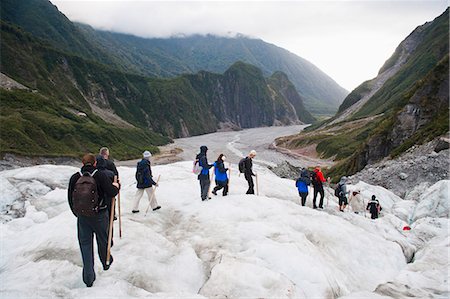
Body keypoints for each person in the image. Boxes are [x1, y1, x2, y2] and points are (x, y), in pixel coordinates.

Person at [68, 153, 119, 287]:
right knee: (103, 240)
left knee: (85, 245)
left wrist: (78, 214)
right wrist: (116, 186)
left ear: (82, 163)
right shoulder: (99, 175)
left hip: (82, 217)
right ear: (95, 163)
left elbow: (70, 198)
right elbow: (111, 192)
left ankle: (88, 278)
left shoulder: (75, 177)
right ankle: (105, 262)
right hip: (99, 215)